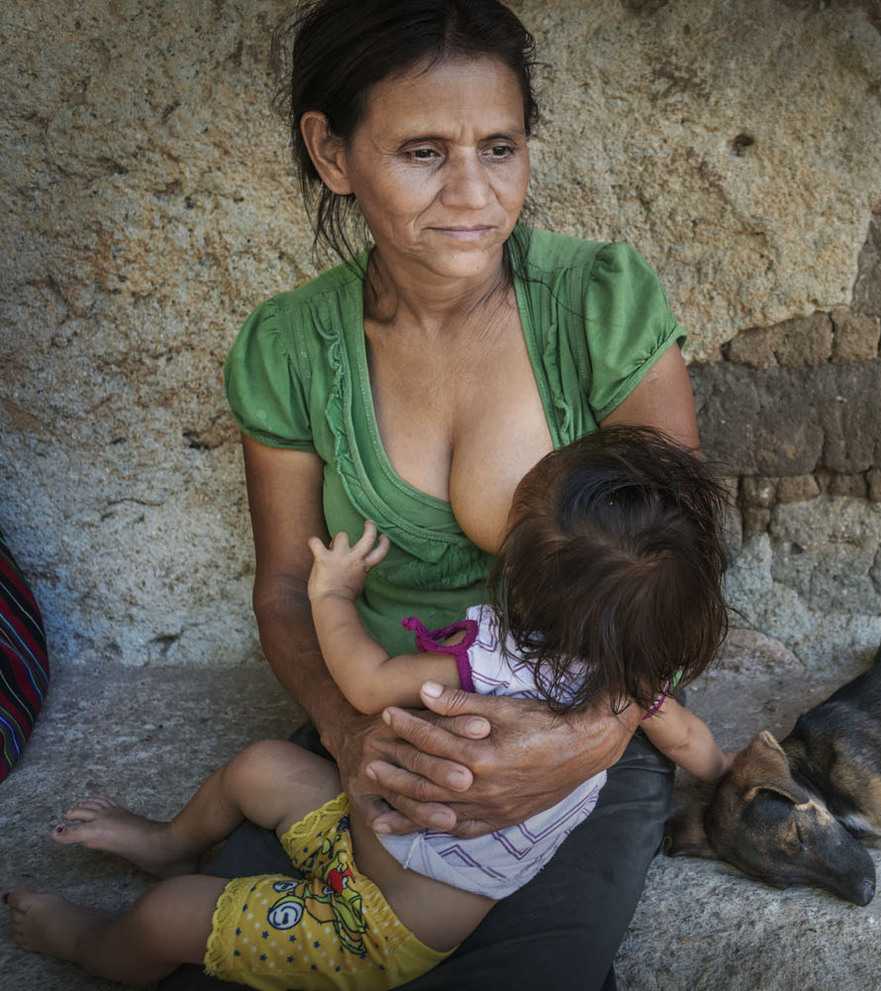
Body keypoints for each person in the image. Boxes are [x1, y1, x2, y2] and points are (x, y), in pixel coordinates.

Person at [136, 1, 695, 986]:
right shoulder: (289, 350)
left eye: (500, 146)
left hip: (592, 718)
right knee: (220, 956)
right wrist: (352, 740)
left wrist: (577, 742)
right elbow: (282, 587)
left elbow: (678, 569)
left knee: (527, 974)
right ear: (333, 152)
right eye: (424, 152)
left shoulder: (599, 303)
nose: (474, 193)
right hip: (388, 719)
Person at [4, 427, 734, 990]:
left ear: (518, 570)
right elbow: (694, 742)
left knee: (171, 918)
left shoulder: (480, 659)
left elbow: (363, 679)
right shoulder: (636, 691)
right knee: (262, 768)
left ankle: (89, 945)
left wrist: (332, 593)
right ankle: (170, 843)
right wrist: (727, 771)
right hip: (369, 839)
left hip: (377, 924)